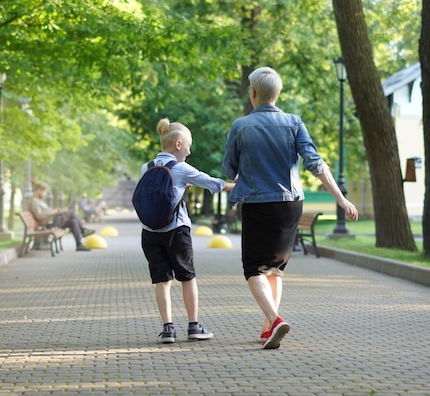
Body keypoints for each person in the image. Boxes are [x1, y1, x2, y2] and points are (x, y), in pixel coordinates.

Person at [222, 66, 358, 349]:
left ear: (254, 93)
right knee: (275, 269)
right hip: (289, 205)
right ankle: (267, 327)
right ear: (277, 93)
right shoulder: (294, 122)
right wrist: (341, 199)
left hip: (257, 205)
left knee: (253, 269)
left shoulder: (240, 126)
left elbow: (229, 169)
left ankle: (274, 319)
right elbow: (316, 163)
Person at [139, 118, 235, 344]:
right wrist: (237, 184)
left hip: (150, 232)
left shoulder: (147, 167)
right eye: (189, 147)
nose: (190, 152)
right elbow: (213, 183)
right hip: (176, 230)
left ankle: (168, 329)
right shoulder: (181, 168)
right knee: (187, 277)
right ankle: (193, 326)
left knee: (161, 280)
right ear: (179, 144)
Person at [30, 182, 95, 251]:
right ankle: (83, 230)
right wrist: (53, 212)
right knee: (71, 212)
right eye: (45, 191)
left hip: (51, 221)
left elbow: (45, 212)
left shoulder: (40, 201)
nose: (46, 194)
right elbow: (39, 215)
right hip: (48, 224)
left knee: (73, 221)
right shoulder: (34, 201)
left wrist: (55, 211)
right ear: (39, 190)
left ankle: (79, 244)